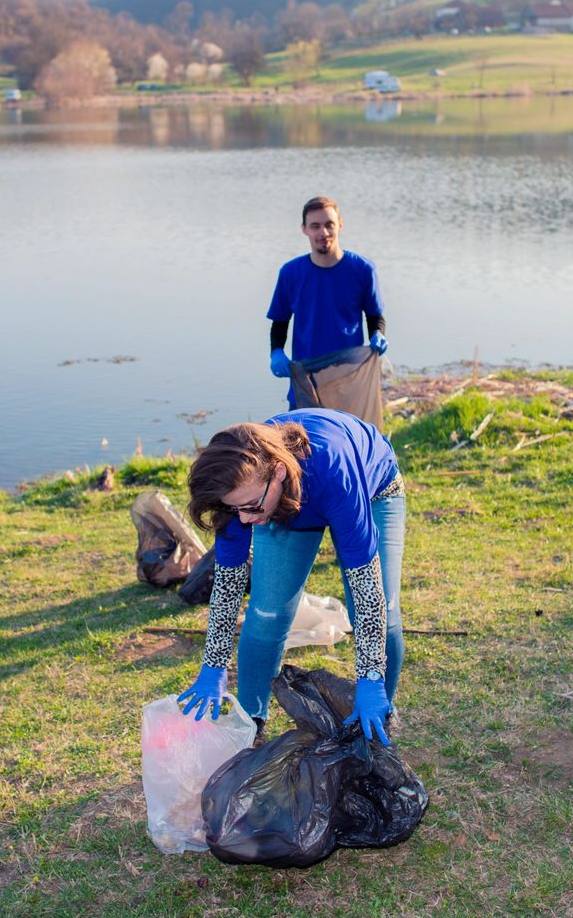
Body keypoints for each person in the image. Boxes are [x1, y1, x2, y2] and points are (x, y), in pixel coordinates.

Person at [178, 409, 405, 746]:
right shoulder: (242, 500)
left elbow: (365, 588)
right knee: (267, 613)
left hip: (372, 490)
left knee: (379, 611)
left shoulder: (334, 473)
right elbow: (228, 586)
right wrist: (214, 666)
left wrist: (370, 677)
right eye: (234, 509)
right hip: (284, 502)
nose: (245, 519)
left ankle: (377, 716)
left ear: (279, 472)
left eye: (250, 507)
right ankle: (251, 722)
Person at [269, 197, 388, 407]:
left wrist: (377, 334)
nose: (323, 233)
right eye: (315, 226)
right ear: (304, 229)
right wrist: (276, 351)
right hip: (306, 382)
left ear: (340, 225)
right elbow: (280, 322)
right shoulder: (290, 273)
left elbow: (374, 315)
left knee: (348, 438)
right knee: (302, 438)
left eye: (329, 225)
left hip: (349, 379)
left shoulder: (362, 270)